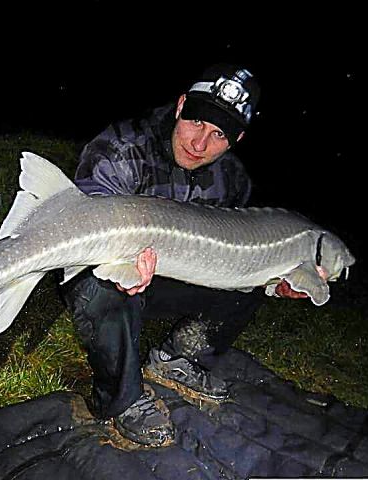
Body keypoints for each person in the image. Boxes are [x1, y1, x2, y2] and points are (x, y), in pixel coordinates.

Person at [62, 63, 305, 447]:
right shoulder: (125, 146)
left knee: (250, 277)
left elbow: (231, 259)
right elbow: (81, 222)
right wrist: (124, 262)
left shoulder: (233, 180)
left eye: (218, 134)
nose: (198, 143)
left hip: (169, 275)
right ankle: (120, 399)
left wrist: (276, 284)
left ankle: (178, 359)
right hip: (101, 265)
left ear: (236, 139)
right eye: (196, 121)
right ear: (180, 107)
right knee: (101, 287)